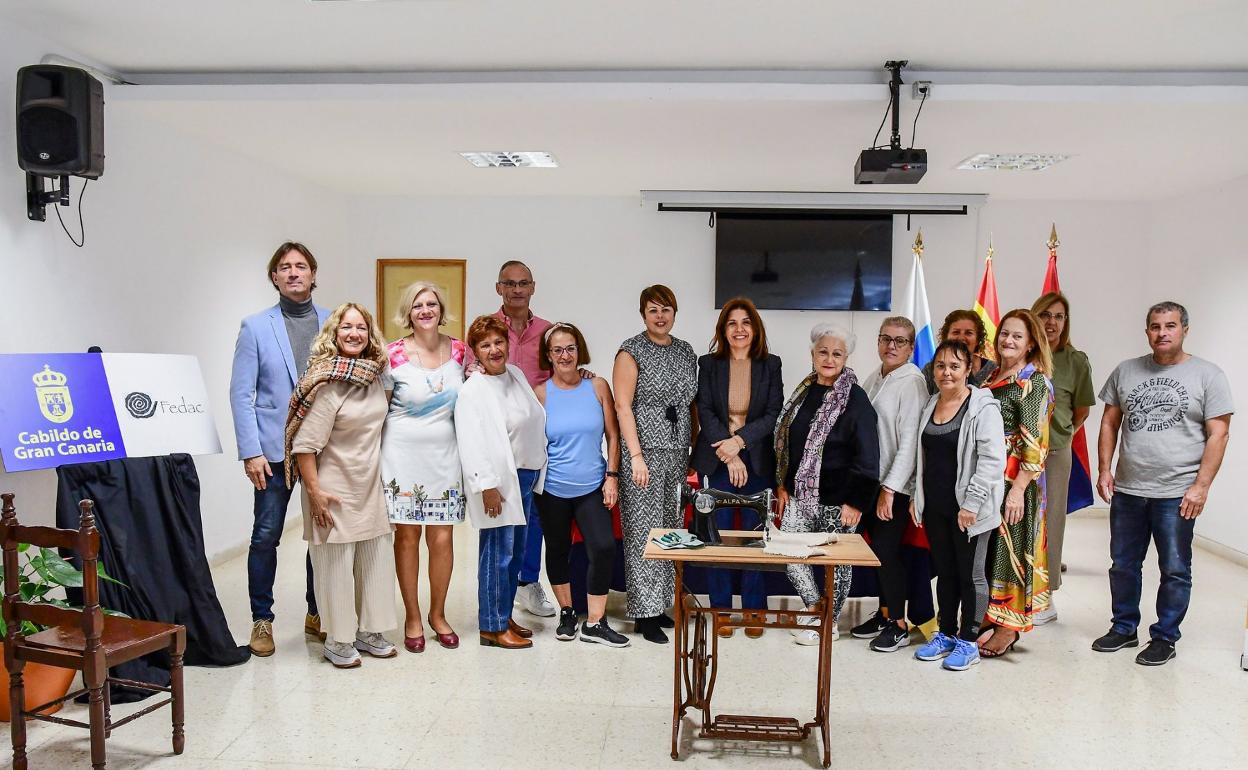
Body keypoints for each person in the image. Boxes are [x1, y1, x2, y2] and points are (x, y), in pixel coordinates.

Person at [1092, 301, 1232, 666]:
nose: (1162, 332)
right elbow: (1109, 422)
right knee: (1123, 563)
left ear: (1184, 329)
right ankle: (1123, 627)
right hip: (1129, 489)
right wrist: (1105, 469)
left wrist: (1201, 486)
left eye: (1170, 326)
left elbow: (1219, 433)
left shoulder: (1208, 375)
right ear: (1147, 331)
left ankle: (1165, 636)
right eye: (1155, 326)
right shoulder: (1126, 371)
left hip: (1176, 492)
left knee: (1174, 567)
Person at [229, 241, 329, 657]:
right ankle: (262, 620)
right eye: (284, 267)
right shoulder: (255, 327)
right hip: (272, 450)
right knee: (266, 535)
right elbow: (241, 393)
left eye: (300, 266)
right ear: (274, 277)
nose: (293, 273)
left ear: (312, 275)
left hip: (324, 448)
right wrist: (250, 451)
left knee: (320, 535)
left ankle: (317, 611)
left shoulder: (334, 321)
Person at [285, 303, 397, 669]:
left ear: (370, 334)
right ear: (334, 334)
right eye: (346, 327)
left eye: (361, 328)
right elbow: (304, 445)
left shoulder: (376, 376)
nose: (354, 334)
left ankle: (370, 631)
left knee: (375, 559)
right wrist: (315, 493)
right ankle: (338, 639)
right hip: (331, 486)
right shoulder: (326, 382)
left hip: (368, 483)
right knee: (335, 565)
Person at [775, 323, 880, 646]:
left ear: (846, 357)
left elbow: (868, 452)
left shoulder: (855, 398)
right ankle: (814, 607)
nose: (829, 358)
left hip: (840, 497)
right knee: (789, 553)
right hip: (799, 495)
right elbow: (789, 440)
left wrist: (856, 501)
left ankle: (829, 623)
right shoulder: (804, 391)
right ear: (812, 354)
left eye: (837, 353)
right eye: (823, 351)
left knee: (836, 564)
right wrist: (782, 483)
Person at [465, 260, 557, 618]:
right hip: (500, 458)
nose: (517, 289)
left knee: (525, 536)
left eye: (523, 283)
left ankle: (525, 587)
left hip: (529, 457)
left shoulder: (545, 334)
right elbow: (475, 421)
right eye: (510, 283)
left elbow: (560, 367)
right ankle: (493, 620)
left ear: (533, 287)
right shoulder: (486, 337)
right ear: (498, 287)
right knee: (499, 545)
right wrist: (486, 481)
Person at [380, 281, 466, 654]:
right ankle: (412, 616)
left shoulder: (461, 351)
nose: (426, 310)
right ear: (408, 312)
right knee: (408, 537)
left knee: (442, 538)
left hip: (445, 457)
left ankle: (438, 613)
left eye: (432, 303)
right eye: (418, 305)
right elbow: (377, 409)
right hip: (401, 458)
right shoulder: (391, 354)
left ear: (440, 309)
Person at [910, 340, 1006, 671]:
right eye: (940, 366)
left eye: (954, 365)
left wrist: (973, 504)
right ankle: (946, 633)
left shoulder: (982, 408)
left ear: (968, 370)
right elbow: (921, 458)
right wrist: (916, 498)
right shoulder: (930, 404)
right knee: (947, 574)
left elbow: (993, 462)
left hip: (971, 511)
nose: (946, 372)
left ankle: (968, 640)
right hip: (936, 507)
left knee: (971, 575)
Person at [692, 298, 783, 640]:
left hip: (757, 462)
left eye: (746, 322)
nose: (740, 329)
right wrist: (729, 455)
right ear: (723, 330)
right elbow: (705, 410)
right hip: (718, 462)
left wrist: (740, 444)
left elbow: (773, 413)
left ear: (755, 328)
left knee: (753, 540)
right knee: (717, 539)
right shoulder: (710, 364)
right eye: (732, 323)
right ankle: (721, 610)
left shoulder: (770, 364)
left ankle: (754, 609)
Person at [534, 323, 630, 647]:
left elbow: (613, 435)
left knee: (603, 547)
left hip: (592, 485)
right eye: (558, 350)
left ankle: (595, 621)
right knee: (558, 551)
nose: (565, 355)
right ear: (549, 356)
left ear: (580, 351)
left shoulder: (598, 386)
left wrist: (612, 477)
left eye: (570, 348)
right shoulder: (541, 394)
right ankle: (567, 612)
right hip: (552, 490)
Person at [455, 315, 548, 650]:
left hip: (524, 476)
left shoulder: (517, 375)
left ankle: (504, 614)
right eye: (485, 345)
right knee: (497, 553)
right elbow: (471, 441)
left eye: (498, 342)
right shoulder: (473, 391)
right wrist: (487, 486)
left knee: (516, 552)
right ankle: (491, 628)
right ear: (475, 352)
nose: (494, 350)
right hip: (497, 483)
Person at [614, 284, 698, 644]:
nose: (660, 316)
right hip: (644, 452)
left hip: (677, 451)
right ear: (643, 315)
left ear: (675, 313)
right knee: (641, 531)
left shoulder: (685, 350)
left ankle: (662, 603)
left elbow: (691, 403)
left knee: (671, 528)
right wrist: (635, 456)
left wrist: (692, 449)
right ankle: (643, 614)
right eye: (653, 310)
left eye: (666, 309)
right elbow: (622, 406)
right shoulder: (630, 351)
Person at [977, 309, 1053, 658]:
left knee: (1011, 555)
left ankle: (1008, 627)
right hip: (985, 479)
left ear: (1031, 343)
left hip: (1014, 483)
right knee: (989, 551)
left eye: (1017, 336)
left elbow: (1036, 442)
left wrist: (1019, 488)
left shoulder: (1033, 382)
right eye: (1005, 333)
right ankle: (989, 615)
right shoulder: (990, 373)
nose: (1008, 340)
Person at [852, 316, 930, 652]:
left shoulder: (911, 382)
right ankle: (885, 613)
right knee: (877, 553)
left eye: (900, 341)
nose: (891, 346)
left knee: (887, 553)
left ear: (912, 348)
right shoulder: (877, 376)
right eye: (886, 339)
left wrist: (890, 490)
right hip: (872, 480)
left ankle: (899, 623)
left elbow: (911, 442)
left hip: (893, 487)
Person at [1030, 291, 1095, 623]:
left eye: (1058, 316)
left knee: (1051, 522)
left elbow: (1080, 412)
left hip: (1055, 454)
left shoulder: (1075, 361)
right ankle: (1015, 589)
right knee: (1016, 522)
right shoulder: (1020, 355)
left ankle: (1046, 594)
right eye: (1045, 315)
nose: (1051, 322)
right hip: (1018, 455)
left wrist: (1058, 435)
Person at [922, 310, 996, 394]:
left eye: (968, 333)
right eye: (956, 332)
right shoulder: (930, 370)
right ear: (946, 337)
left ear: (978, 339)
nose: (961, 338)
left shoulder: (993, 370)